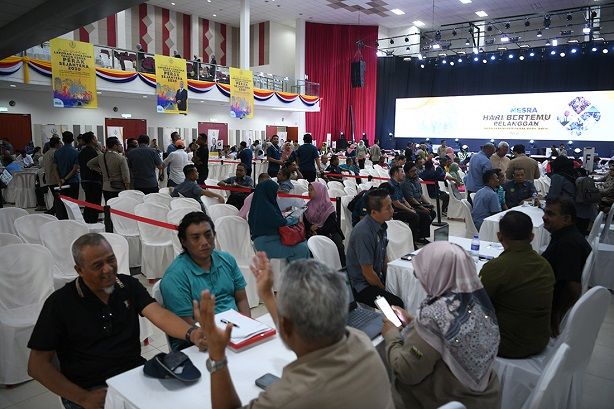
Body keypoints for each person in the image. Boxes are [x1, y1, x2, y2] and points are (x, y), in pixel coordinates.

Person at [27, 233, 206, 409]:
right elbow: (37, 365)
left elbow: (158, 314)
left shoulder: (127, 285)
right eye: (98, 265)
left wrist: (192, 333)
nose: (108, 269)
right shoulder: (60, 303)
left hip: (134, 375)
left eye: (111, 259)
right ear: (79, 270)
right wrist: (83, 398)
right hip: (89, 389)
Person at [196, 253, 394, 409]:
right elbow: (292, 329)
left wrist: (217, 354)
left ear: (287, 326)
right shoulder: (360, 340)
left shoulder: (288, 397)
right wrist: (267, 294)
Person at [383, 241, 500, 408]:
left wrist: (391, 335)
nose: (420, 279)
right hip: (486, 397)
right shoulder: (478, 302)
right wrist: (414, 323)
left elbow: (406, 372)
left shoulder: (434, 317)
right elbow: (449, 332)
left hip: (448, 400)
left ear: (437, 275)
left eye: (421, 273)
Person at [161, 212, 250, 350]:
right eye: (196, 238)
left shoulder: (227, 259)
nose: (204, 242)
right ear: (184, 242)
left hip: (236, 332)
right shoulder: (174, 277)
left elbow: (241, 299)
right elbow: (186, 322)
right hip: (198, 340)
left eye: (208, 235)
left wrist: (247, 328)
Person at [480, 211, 555, 358]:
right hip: (540, 340)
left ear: (499, 236)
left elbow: (475, 305)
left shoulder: (496, 267)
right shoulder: (544, 265)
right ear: (532, 236)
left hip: (508, 345)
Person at [542, 197, 592, 337]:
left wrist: (556, 315)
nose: (544, 217)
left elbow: (573, 288)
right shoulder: (565, 236)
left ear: (566, 219)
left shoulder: (568, 245)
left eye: (550, 214)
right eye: (545, 212)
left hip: (547, 308)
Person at [346, 188, 404, 308]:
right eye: (388, 208)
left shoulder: (381, 225)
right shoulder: (364, 233)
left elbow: (384, 258)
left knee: (405, 287)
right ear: (373, 212)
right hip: (361, 287)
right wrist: (384, 289)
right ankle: (392, 320)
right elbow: (367, 273)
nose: (392, 210)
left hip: (375, 278)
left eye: (391, 205)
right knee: (397, 303)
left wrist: (390, 279)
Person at [248, 179, 310, 262]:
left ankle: (296, 268)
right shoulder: (266, 208)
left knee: (302, 244)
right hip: (267, 244)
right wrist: (293, 218)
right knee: (301, 248)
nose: (276, 195)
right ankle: (297, 270)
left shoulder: (258, 206)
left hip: (268, 240)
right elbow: (281, 222)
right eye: (275, 192)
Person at [547, 156, 596, 234]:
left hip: (573, 216)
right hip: (587, 214)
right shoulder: (578, 173)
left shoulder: (558, 177)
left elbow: (552, 197)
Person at [304, 182, 345, 266]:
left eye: (311, 190)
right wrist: (311, 227)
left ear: (319, 191)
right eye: (308, 190)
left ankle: (342, 267)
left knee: (338, 245)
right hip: (312, 232)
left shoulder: (328, 206)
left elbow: (331, 224)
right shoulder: (308, 206)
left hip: (329, 231)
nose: (309, 192)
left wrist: (318, 231)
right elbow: (306, 222)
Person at [388, 166, 430, 245]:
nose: (404, 174)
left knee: (425, 214)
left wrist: (410, 208)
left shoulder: (398, 184)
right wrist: (410, 210)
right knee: (414, 216)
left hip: (402, 208)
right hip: (395, 210)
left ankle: (420, 237)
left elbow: (403, 199)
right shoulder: (390, 185)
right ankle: (412, 241)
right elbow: (396, 203)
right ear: (396, 173)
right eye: (402, 172)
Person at [87, 137, 130, 201]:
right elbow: (126, 176)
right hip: (118, 188)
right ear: (115, 146)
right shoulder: (121, 158)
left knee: (108, 205)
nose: (121, 146)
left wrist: (100, 170)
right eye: (120, 145)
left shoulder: (101, 156)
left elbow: (89, 164)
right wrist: (127, 189)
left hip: (106, 187)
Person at [54, 131, 80, 218]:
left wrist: (59, 180)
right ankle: (73, 221)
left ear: (63, 140)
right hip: (73, 181)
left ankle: (64, 221)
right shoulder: (76, 152)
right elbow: (74, 169)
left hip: (61, 183)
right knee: (73, 204)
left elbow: (55, 168)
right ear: (72, 140)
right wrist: (65, 179)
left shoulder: (57, 152)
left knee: (63, 204)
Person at [78, 132, 103, 223]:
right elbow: (95, 165)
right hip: (94, 180)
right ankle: (93, 222)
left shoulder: (82, 152)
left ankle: (87, 220)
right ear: (92, 140)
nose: (96, 140)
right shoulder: (93, 152)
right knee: (95, 203)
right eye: (95, 138)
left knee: (88, 201)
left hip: (84, 179)